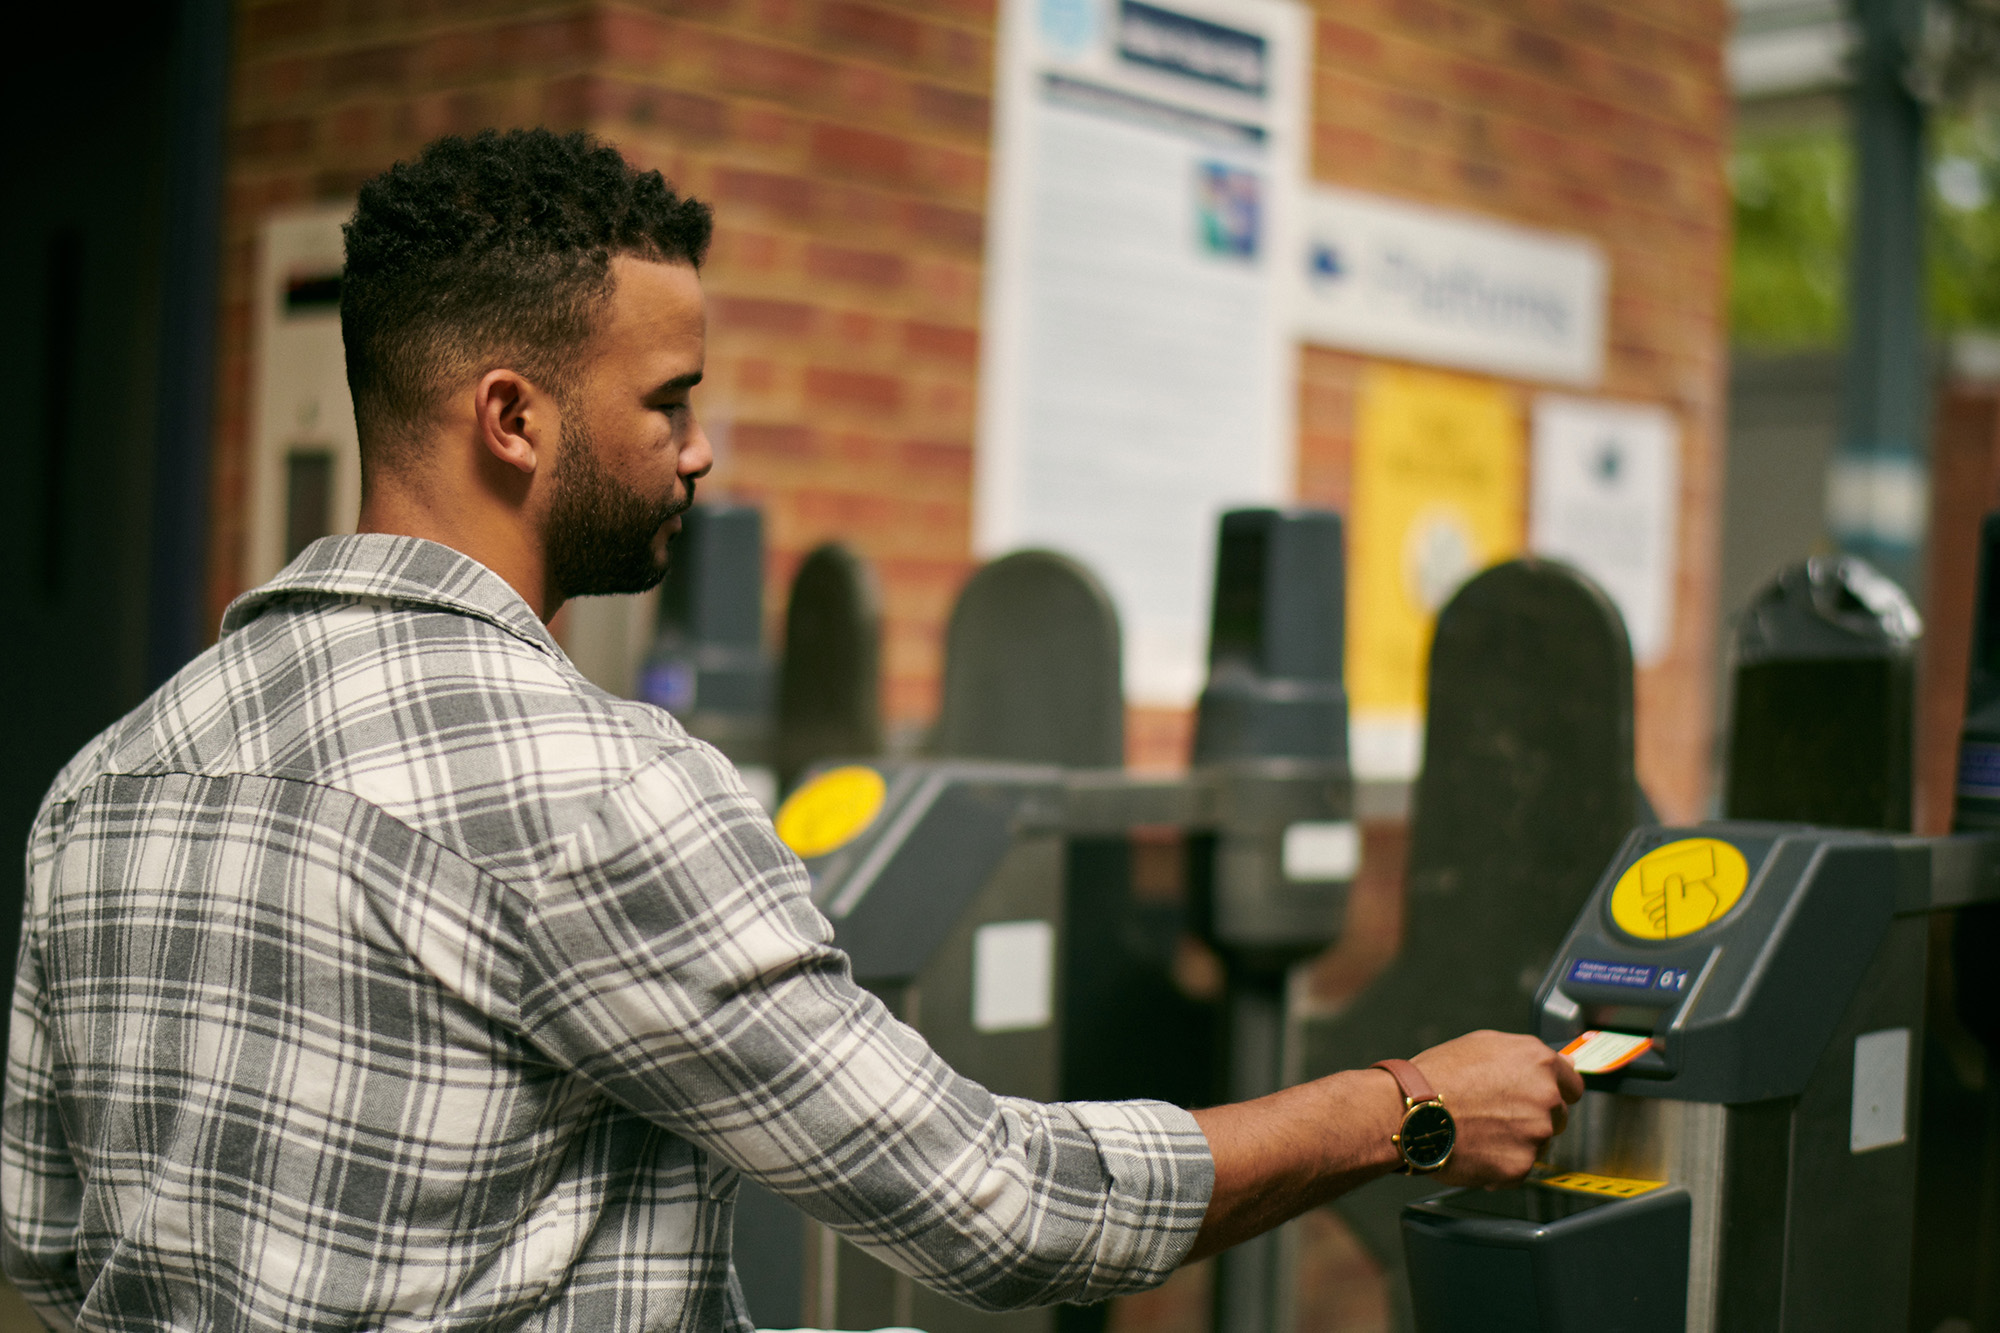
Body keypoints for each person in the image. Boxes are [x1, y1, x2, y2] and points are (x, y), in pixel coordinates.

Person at [1, 129, 1582, 1331]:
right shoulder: (602, 790)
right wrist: (1411, 1106)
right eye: (670, 400)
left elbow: (56, 1245)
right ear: (512, 418)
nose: (702, 452)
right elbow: (1002, 1203)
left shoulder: (106, 780)